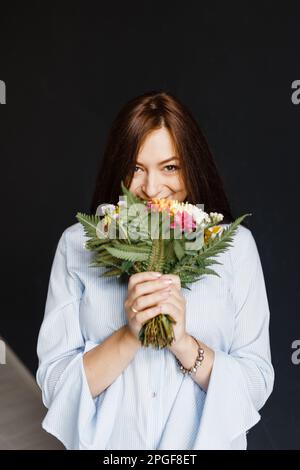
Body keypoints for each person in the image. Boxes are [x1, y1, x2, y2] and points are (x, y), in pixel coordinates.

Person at [36, 90, 274, 450]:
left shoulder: (235, 248)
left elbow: (256, 382)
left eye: (170, 167)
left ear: (191, 167)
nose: (151, 188)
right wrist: (131, 334)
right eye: (135, 168)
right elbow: (54, 385)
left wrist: (182, 343)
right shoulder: (78, 245)